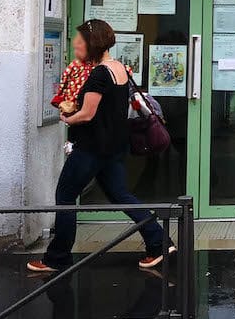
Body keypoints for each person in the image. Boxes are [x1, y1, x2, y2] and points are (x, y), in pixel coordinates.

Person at [28, 19, 174, 273]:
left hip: (92, 147)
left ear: (92, 43)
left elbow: (87, 114)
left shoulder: (99, 74)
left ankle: (57, 258)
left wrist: (66, 117)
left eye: (81, 40)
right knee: (121, 195)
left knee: (65, 196)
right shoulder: (119, 68)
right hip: (115, 147)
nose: (76, 43)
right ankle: (159, 242)